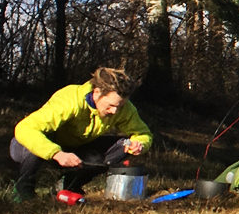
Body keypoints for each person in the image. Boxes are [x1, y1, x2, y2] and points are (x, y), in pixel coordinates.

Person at [9, 67, 152, 201]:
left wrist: (140, 144)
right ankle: (23, 191)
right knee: (34, 140)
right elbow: (25, 128)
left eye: (119, 106)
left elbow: (143, 134)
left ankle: (69, 185)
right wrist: (56, 153)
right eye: (111, 105)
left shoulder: (124, 109)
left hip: (76, 148)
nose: (115, 111)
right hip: (37, 146)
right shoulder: (69, 100)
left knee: (123, 145)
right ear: (96, 93)